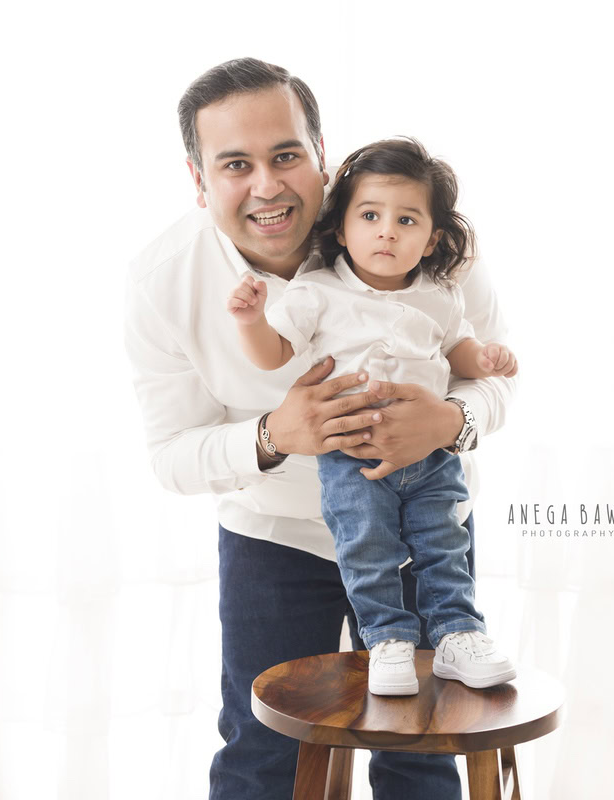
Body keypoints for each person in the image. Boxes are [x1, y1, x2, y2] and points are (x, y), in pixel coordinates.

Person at [125, 57, 517, 800]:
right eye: (235, 164)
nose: (267, 186)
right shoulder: (163, 282)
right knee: (263, 749)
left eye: (285, 156)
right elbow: (171, 457)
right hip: (273, 536)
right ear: (199, 178)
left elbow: (494, 379)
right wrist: (274, 435)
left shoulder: (412, 224)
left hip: (418, 521)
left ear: (320, 153)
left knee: (421, 746)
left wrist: (449, 421)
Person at [226, 137, 517, 696]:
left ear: (431, 239)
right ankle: (386, 641)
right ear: (341, 228)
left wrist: (486, 359)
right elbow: (274, 355)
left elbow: (459, 352)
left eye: (406, 220)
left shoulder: (440, 294)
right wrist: (251, 320)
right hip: (350, 457)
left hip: (431, 458)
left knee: (444, 543)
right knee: (367, 545)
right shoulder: (319, 290)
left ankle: (458, 634)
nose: (387, 231)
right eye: (370, 216)